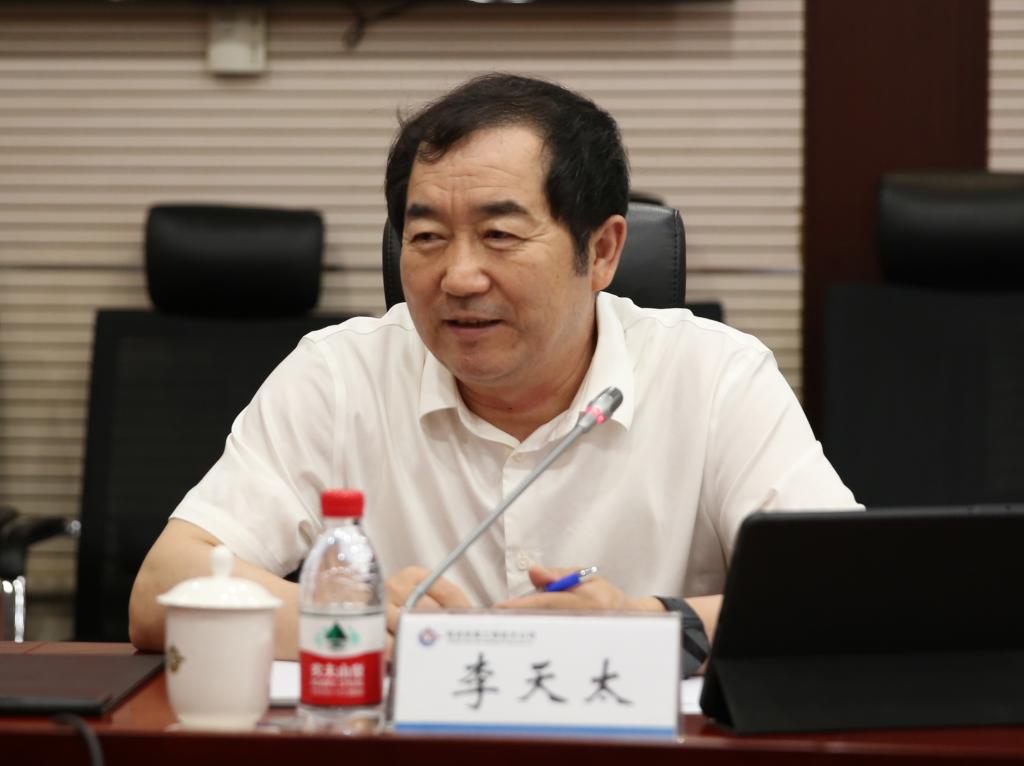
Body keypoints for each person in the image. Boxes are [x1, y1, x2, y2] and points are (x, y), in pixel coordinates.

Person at [129, 73, 857, 672]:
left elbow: (847, 594)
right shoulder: (340, 375)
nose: (459, 277)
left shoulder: (716, 376)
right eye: (427, 237)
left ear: (603, 251)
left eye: (500, 235)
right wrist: (355, 621)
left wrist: (643, 625)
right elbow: (161, 589)